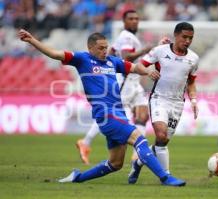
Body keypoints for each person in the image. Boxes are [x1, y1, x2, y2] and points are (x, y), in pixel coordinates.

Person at [18, 29, 186, 186]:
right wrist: (32, 40)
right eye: (100, 48)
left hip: (118, 114)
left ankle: (78, 177)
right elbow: (54, 54)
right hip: (106, 115)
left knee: (115, 164)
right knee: (140, 140)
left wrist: (147, 71)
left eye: (106, 47)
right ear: (90, 48)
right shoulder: (82, 59)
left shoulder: (113, 62)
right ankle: (165, 177)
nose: (104, 51)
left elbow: (134, 67)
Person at [76, 10, 152, 165]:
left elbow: (111, 54)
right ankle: (86, 142)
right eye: (131, 19)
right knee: (111, 115)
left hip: (134, 83)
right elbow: (126, 57)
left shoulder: (127, 38)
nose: (135, 21)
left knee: (143, 114)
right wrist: (146, 50)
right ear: (124, 21)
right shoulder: (126, 36)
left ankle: (137, 156)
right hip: (124, 82)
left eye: (137, 18)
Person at [128, 22, 200, 184]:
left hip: (177, 103)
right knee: (160, 134)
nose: (187, 41)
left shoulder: (193, 58)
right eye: (184, 37)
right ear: (176, 35)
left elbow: (191, 82)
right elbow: (139, 65)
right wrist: (148, 71)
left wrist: (194, 100)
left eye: (190, 38)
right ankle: (166, 176)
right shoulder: (160, 51)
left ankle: (139, 162)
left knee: (163, 141)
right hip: (159, 99)